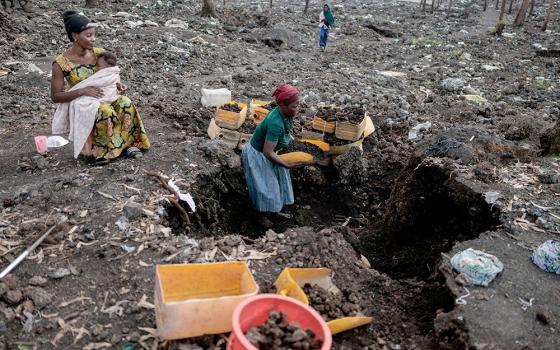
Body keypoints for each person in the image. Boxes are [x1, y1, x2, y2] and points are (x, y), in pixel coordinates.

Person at [51, 11, 150, 166]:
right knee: (105, 111)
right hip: (83, 102)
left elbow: (109, 75)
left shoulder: (99, 54)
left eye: (94, 35)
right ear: (75, 35)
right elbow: (56, 96)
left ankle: (128, 145)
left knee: (125, 102)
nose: (93, 39)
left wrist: (117, 85)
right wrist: (83, 91)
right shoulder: (61, 63)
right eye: (88, 35)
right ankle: (100, 152)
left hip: (105, 95)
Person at [242, 84, 300, 228]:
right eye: (294, 107)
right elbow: (268, 152)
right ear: (283, 105)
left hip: (270, 153)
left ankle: (274, 211)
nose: (297, 109)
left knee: (279, 183)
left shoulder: (285, 113)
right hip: (259, 155)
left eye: (297, 105)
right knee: (266, 188)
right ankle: (259, 215)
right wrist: (286, 164)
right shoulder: (276, 123)